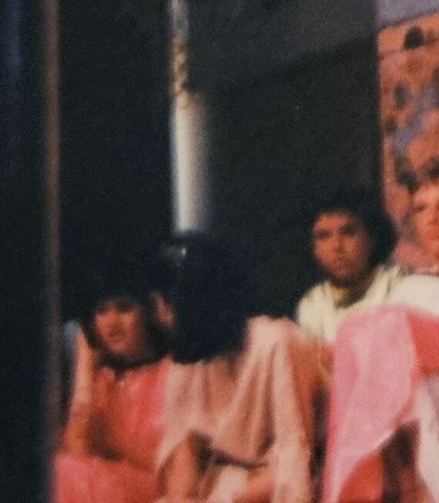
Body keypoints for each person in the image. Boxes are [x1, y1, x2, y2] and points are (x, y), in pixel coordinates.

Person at [322, 158, 439, 503]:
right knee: (363, 334)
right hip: (424, 406)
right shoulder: (410, 287)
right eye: (421, 209)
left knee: (390, 336)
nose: (432, 218)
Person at [152, 232, 324, 503]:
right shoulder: (189, 352)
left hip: (304, 474)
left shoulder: (274, 342)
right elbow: (183, 448)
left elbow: (297, 454)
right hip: (233, 482)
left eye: (166, 302)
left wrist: (234, 497)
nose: (161, 314)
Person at [55, 258, 170, 503]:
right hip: (95, 485)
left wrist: (113, 441)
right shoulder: (102, 377)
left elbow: (176, 469)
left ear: (148, 313)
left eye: (124, 308)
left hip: (155, 489)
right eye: (101, 311)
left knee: (67, 475)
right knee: (62, 471)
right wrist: (84, 373)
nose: (111, 322)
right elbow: (77, 451)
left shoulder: (172, 372)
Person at [295, 189, 402, 342]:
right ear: (314, 249)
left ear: (372, 237)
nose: (336, 246)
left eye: (348, 233)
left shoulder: (398, 285)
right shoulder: (312, 305)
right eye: (324, 236)